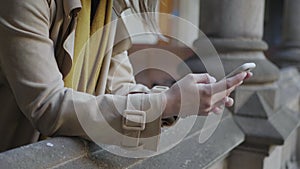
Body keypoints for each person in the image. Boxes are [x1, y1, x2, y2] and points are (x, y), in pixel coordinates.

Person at [0, 0, 251, 152]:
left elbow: (121, 89)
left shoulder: (110, 9)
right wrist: (167, 102)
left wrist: (177, 102)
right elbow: (47, 106)